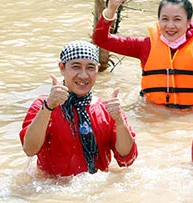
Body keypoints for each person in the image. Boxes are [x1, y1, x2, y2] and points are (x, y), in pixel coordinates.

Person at [20, 41, 138, 177]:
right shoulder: (43, 105)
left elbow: (127, 160)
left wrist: (119, 121)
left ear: (97, 69)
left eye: (90, 68)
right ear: (62, 68)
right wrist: (48, 107)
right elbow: (29, 149)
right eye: (76, 67)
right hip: (53, 190)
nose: (83, 75)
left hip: (95, 188)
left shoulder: (108, 109)